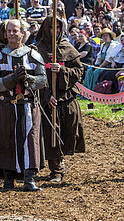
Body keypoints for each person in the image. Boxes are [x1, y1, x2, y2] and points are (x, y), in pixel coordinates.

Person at [0, 19, 47, 191]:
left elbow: (43, 79)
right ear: (5, 33)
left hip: (28, 105)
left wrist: (29, 80)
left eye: (16, 31)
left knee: (30, 141)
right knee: (6, 141)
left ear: (23, 33)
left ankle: (29, 179)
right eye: (9, 31)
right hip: (6, 106)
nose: (12, 34)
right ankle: (8, 178)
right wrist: (9, 81)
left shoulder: (33, 55)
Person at [36, 16, 85, 182]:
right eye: (51, 28)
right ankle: (55, 168)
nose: (54, 31)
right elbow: (33, 76)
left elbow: (79, 72)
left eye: (58, 27)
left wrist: (63, 72)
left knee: (68, 130)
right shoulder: (36, 50)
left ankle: (61, 158)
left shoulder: (67, 47)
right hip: (46, 99)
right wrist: (46, 94)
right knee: (51, 132)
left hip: (66, 97)